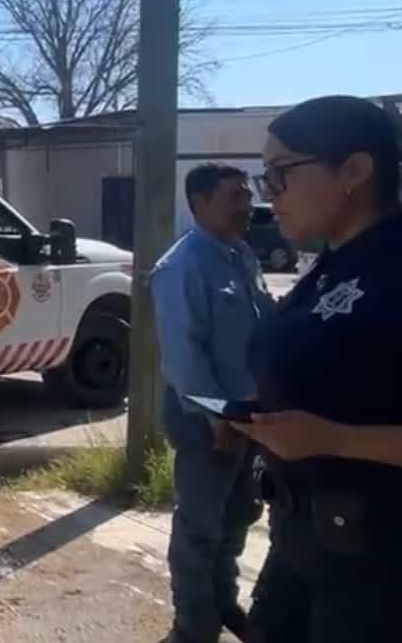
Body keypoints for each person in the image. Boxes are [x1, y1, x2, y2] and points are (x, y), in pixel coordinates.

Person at [232, 95, 402, 641]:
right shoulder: (336, 262)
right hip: (304, 546)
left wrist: (336, 440)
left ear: (355, 171)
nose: (267, 195)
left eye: (280, 174)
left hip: (387, 576)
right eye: (263, 177)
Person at [150, 163, 273, 643]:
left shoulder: (240, 256)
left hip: (250, 418)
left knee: (238, 517)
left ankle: (223, 604)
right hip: (208, 422)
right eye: (235, 197)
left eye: (247, 195)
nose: (247, 205)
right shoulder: (181, 267)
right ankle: (194, 626)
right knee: (200, 529)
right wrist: (217, 416)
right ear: (200, 203)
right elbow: (183, 356)